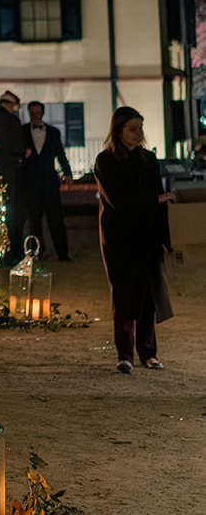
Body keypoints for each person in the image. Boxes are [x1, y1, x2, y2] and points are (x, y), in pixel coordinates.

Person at [94, 106, 174, 375]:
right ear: (118, 131)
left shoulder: (149, 160)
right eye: (132, 128)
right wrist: (154, 200)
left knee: (149, 297)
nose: (139, 133)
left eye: (140, 127)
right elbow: (118, 201)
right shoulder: (105, 161)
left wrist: (169, 240)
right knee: (126, 295)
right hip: (120, 238)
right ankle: (124, 354)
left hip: (147, 236)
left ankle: (148, 353)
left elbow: (160, 200)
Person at [22, 101, 73, 261]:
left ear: (43, 113)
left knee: (56, 219)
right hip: (31, 182)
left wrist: (68, 173)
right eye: (33, 113)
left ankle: (62, 253)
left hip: (50, 181)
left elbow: (60, 154)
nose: (36, 116)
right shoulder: (22, 132)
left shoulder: (53, 132)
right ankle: (37, 252)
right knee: (34, 220)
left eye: (38, 112)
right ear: (30, 114)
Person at [0, 89, 25, 265]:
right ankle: (12, 253)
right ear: (10, 105)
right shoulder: (12, 121)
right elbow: (19, 147)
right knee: (11, 215)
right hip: (9, 173)